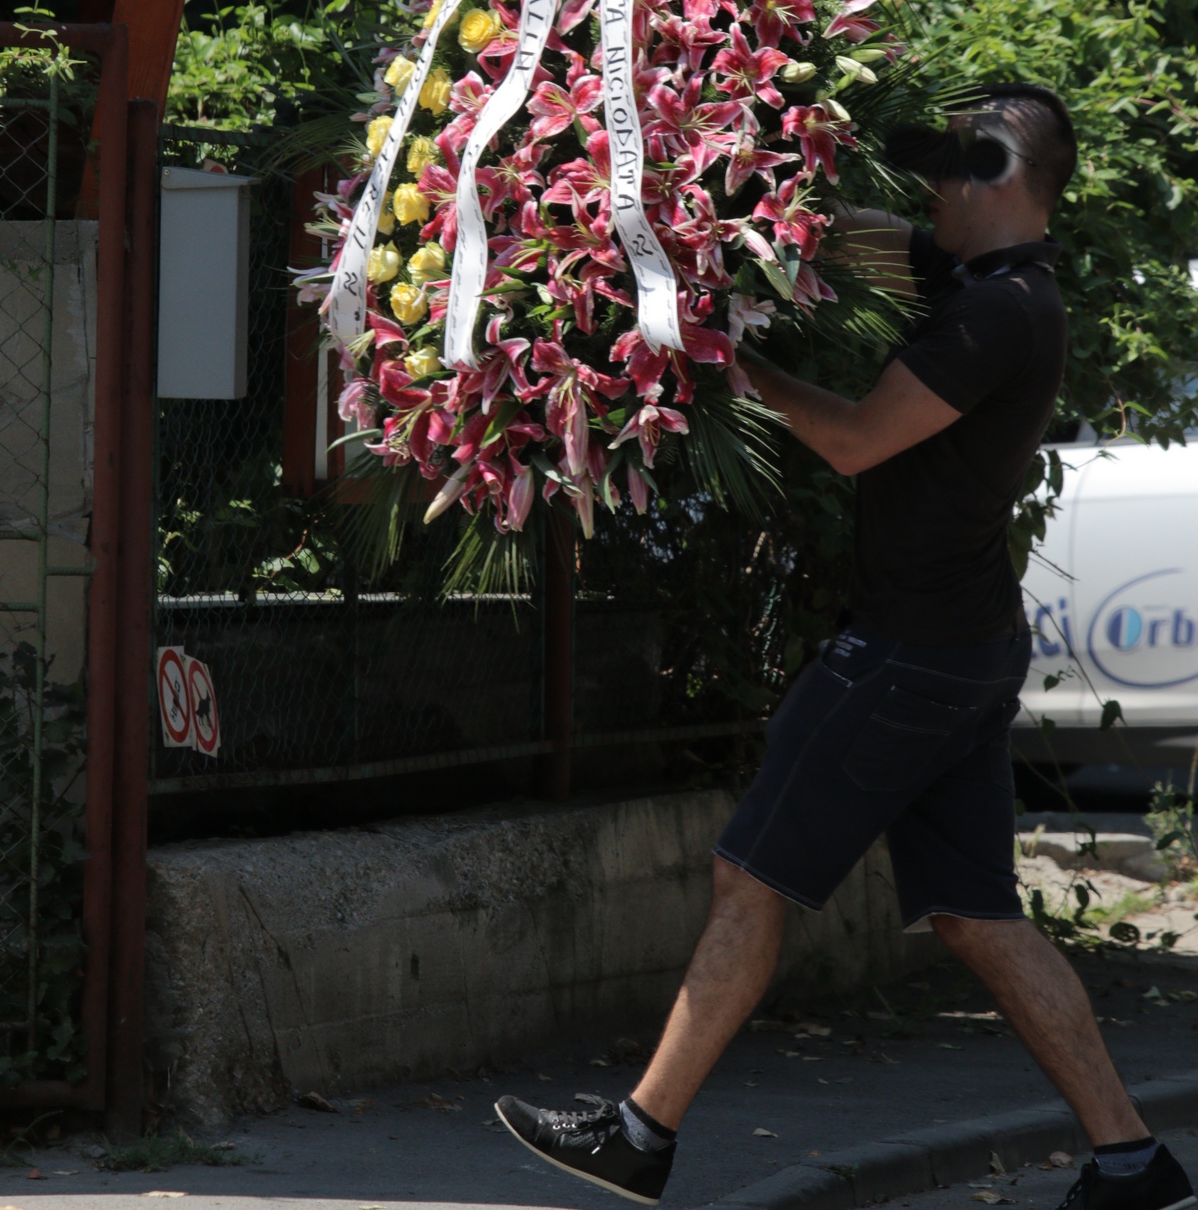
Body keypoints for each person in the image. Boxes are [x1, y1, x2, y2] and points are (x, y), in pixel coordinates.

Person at [494, 83, 1196, 1210]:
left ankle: (639, 1134)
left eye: (947, 167)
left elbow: (861, 441)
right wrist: (714, 215)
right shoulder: (981, 279)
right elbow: (861, 245)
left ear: (1000, 178)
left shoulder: (1001, 315)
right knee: (979, 916)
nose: (926, 187)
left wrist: (727, 363)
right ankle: (1130, 1159)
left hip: (909, 656)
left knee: (750, 872)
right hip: (959, 646)